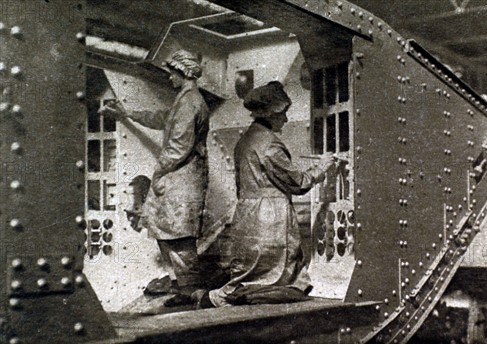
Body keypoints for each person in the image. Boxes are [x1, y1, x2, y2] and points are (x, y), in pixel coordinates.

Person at [200, 81, 335, 308]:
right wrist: (323, 166)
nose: (286, 119)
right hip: (270, 217)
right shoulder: (270, 144)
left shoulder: (245, 140)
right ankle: (217, 299)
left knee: (249, 271)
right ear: (271, 114)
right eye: (283, 114)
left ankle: (212, 298)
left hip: (247, 213)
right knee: (275, 277)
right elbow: (298, 183)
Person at [99, 50, 211, 306]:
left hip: (181, 177)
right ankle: (185, 288)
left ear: (182, 73)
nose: (170, 78)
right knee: (170, 231)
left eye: (172, 73)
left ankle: (190, 291)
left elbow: (179, 148)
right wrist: (128, 114)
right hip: (179, 177)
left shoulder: (191, 102)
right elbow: (162, 119)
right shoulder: (186, 100)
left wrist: (158, 172)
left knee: (180, 235)